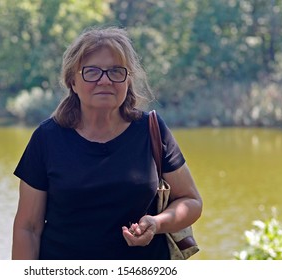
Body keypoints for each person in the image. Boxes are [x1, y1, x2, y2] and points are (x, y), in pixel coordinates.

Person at [11, 26, 202, 260]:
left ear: (127, 80)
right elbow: (28, 228)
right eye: (92, 72)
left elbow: (191, 201)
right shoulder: (47, 138)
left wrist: (157, 223)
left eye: (116, 72)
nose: (105, 81)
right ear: (72, 81)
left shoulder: (151, 130)